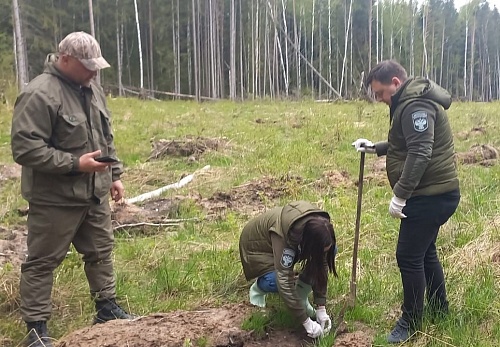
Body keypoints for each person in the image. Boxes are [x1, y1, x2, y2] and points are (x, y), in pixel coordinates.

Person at [11, 31, 135, 347]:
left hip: (94, 192)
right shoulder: (40, 94)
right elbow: (25, 148)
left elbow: (104, 137)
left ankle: (106, 308)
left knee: (101, 252)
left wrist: (115, 174)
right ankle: (36, 330)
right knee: (42, 262)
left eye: (97, 67)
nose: (95, 72)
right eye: (88, 66)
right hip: (55, 199)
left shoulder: (91, 88)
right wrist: (74, 164)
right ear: (65, 60)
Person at [352, 60, 460, 343]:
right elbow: (406, 143)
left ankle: (410, 322)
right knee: (424, 253)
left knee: (408, 256)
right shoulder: (410, 101)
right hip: (436, 192)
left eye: (381, 93)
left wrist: (399, 195)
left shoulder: (415, 106)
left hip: (430, 195)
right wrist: (375, 147)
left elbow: (421, 152)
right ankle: (440, 308)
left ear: (396, 84)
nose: (379, 99)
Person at [239, 201, 338, 339]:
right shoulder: (284, 238)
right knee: (275, 281)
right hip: (258, 250)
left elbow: (322, 262)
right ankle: (259, 287)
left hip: (290, 244)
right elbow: (283, 280)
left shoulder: (320, 226)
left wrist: (321, 307)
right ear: (308, 243)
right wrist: (306, 322)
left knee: (330, 251)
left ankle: (301, 292)